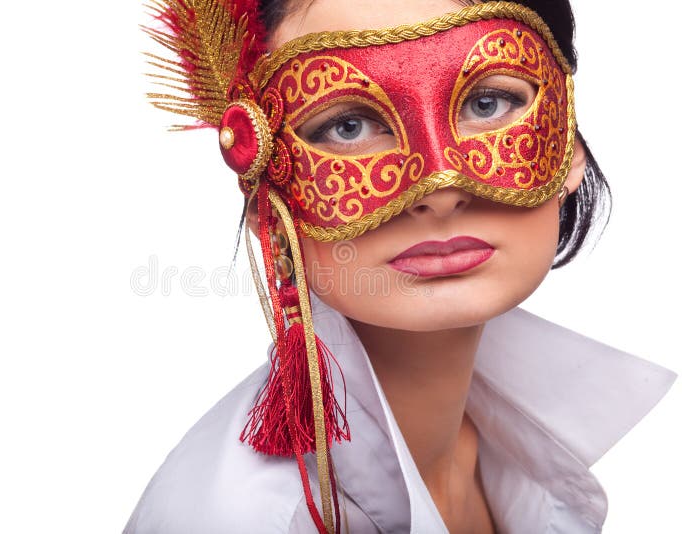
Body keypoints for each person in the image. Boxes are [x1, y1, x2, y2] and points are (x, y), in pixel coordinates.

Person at [125, 0, 676, 532]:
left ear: (571, 148)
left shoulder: (499, 447)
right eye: (347, 126)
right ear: (264, 195)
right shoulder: (231, 521)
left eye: (487, 102)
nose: (439, 188)